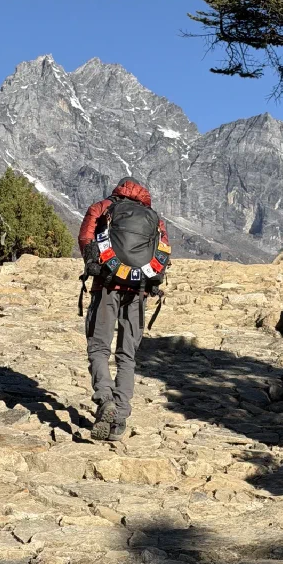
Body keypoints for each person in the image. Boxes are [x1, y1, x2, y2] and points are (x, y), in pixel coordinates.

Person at [78, 177, 170, 441]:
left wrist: (93, 264)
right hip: (138, 291)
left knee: (98, 348)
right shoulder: (154, 217)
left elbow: (86, 238)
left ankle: (105, 398)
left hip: (105, 287)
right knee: (127, 356)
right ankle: (119, 417)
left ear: (118, 191)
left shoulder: (102, 207)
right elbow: (163, 252)